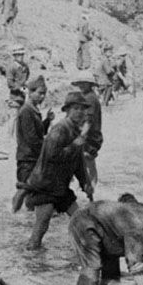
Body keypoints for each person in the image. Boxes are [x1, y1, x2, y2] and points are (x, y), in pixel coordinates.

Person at [19, 91, 92, 250]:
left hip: (60, 186)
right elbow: (53, 155)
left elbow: (78, 162)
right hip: (46, 185)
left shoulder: (75, 131)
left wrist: (85, 183)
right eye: (75, 109)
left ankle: (83, 250)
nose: (79, 112)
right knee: (42, 224)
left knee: (80, 219)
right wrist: (75, 145)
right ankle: (31, 256)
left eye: (82, 109)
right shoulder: (60, 129)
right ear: (67, 110)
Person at [68, 193, 143, 285]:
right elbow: (135, 261)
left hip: (105, 231)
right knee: (92, 267)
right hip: (85, 222)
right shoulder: (141, 227)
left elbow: (126, 198)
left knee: (112, 277)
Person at [11, 76, 54, 212]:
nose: (42, 97)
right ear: (31, 92)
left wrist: (47, 121)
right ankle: (14, 215)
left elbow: (38, 131)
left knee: (31, 191)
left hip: (32, 157)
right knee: (25, 190)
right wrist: (48, 149)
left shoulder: (32, 109)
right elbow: (32, 139)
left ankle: (24, 218)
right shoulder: (26, 111)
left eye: (44, 94)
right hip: (27, 158)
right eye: (40, 93)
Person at [71, 76, 104, 193]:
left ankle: (91, 188)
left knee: (87, 162)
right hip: (90, 136)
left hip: (90, 137)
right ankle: (89, 188)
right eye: (80, 83)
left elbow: (88, 121)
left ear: (90, 84)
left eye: (84, 83)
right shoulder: (87, 97)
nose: (81, 86)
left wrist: (81, 136)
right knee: (87, 163)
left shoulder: (90, 98)